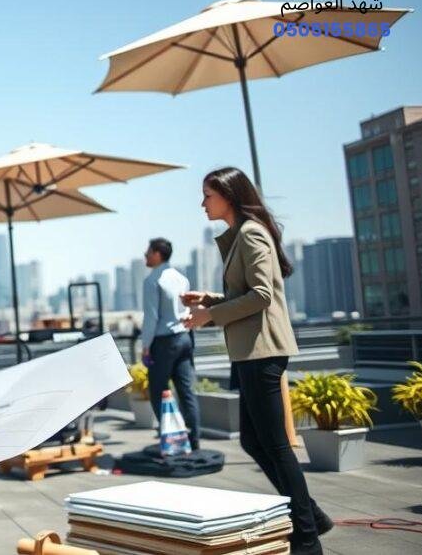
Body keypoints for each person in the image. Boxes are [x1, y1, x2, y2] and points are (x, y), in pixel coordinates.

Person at [180, 167, 331, 555]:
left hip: (263, 350)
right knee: (252, 440)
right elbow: (246, 293)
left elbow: (262, 295)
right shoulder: (241, 235)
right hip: (249, 351)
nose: (202, 203)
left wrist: (210, 315)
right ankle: (311, 515)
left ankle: (308, 538)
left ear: (228, 196)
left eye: (207, 195)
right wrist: (209, 300)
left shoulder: (250, 233)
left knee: (276, 446)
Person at [140, 237, 200, 450]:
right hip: (185, 338)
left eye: (148, 252)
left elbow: (151, 317)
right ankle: (194, 441)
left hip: (164, 342)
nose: (145, 256)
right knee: (186, 392)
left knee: (158, 391)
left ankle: (171, 441)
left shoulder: (152, 281)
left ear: (157, 254)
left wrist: (145, 347)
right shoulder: (181, 278)